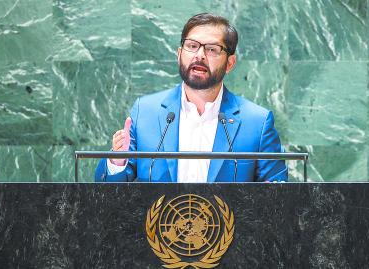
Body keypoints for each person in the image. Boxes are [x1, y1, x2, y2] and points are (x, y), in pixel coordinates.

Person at [95, 13, 287, 182]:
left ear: (230, 63)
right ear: (179, 55)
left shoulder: (257, 122)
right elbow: (109, 194)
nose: (200, 55)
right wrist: (117, 161)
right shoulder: (145, 112)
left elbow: (278, 197)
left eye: (212, 49)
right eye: (192, 46)